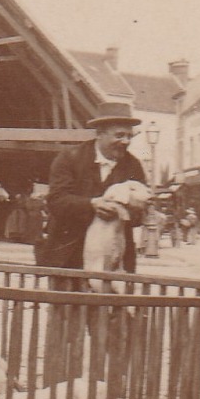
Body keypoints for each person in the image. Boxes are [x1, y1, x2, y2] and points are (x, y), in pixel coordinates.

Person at [42, 101, 149, 274]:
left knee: (109, 300)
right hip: (68, 255)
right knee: (66, 301)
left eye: (130, 136)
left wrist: (134, 209)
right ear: (100, 133)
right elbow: (56, 200)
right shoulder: (69, 158)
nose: (126, 141)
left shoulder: (133, 166)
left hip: (114, 259)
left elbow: (138, 217)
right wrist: (91, 204)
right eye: (119, 135)